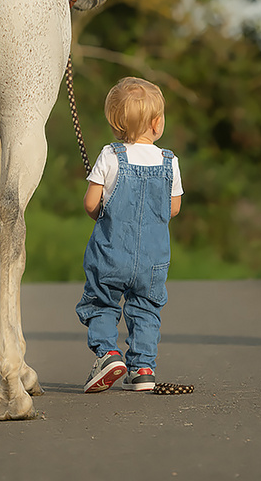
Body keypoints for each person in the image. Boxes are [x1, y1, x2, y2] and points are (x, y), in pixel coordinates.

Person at [75, 76, 183, 393]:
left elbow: (91, 203)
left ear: (115, 123)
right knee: (146, 308)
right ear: (157, 122)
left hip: (110, 252)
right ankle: (143, 369)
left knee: (101, 303)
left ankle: (108, 354)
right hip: (153, 258)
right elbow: (173, 208)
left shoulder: (110, 156)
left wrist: (103, 215)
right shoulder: (170, 161)